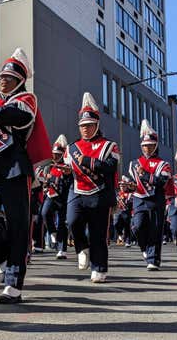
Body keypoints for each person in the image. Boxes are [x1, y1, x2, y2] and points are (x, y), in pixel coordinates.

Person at [0, 47, 51, 304]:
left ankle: (14, 283)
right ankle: (3, 259)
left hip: (15, 167)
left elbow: (10, 117)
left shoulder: (26, 99)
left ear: (20, 80)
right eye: (1, 77)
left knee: (18, 226)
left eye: (9, 77)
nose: (2, 80)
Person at [64, 93, 119, 283]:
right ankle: (81, 247)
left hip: (99, 193)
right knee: (72, 221)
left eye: (88, 126)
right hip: (77, 190)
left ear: (96, 125)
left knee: (98, 232)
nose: (85, 129)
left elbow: (111, 167)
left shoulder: (109, 146)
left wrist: (88, 161)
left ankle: (99, 267)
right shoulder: (72, 148)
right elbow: (68, 169)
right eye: (82, 126)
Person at [128, 119, 172, 271]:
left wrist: (145, 174)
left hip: (155, 200)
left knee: (155, 230)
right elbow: (135, 183)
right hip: (139, 199)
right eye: (144, 146)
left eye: (150, 146)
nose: (147, 148)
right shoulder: (133, 163)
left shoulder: (163, 164)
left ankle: (153, 259)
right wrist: (129, 186)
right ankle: (144, 248)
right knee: (138, 226)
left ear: (155, 146)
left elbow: (161, 182)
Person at [37, 135, 73, 259]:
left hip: (64, 197)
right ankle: (52, 232)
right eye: (54, 154)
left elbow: (70, 182)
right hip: (52, 196)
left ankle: (62, 250)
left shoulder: (67, 166)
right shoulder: (49, 166)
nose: (55, 156)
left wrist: (65, 175)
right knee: (44, 213)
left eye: (58, 154)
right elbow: (45, 180)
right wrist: (46, 181)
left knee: (62, 224)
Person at [114, 176, 134, 248]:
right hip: (118, 211)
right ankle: (120, 234)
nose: (122, 187)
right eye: (121, 185)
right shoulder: (117, 193)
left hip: (127, 212)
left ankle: (128, 241)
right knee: (115, 223)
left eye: (123, 185)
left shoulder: (130, 194)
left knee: (127, 226)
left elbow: (131, 203)